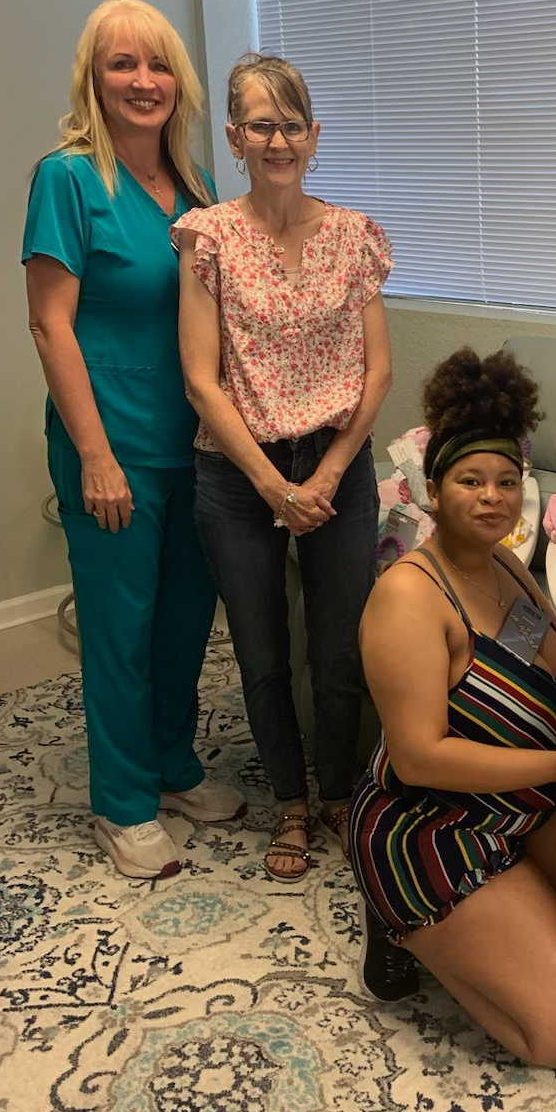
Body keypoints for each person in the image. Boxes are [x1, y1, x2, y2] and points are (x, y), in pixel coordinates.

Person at [351, 347, 556, 1064]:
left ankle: (518, 896)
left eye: (506, 482)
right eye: (469, 480)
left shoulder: (509, 565)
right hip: (431, 826)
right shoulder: (407, 598)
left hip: (528, 806)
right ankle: (405, 924)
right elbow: (421, 757)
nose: (492, 497)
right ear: (433, 488)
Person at [22, 0, 242, 881]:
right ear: (94, 79)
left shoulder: (198, 194)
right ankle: (122, 799)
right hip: (110, 447)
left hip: (196, 446)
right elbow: (49, 326)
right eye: (122, 64)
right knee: (121, 626)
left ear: (178, 85)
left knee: (187, 621)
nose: (142, 82)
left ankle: (171, 763)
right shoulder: (67, 179)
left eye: (157, 66)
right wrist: (96, 456)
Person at [175, 54, 393, 881]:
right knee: (263, 651)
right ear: (234, 137)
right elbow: (201, 377)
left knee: (339, 647)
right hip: (237, 473)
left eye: (292, 123)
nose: (279, 140)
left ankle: (337, 793)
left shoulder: (354, 236)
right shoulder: (208, 238)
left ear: (314, 134)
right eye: (261, 124)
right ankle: (290, 804)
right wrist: (272, 487)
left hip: (336, 461)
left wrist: (329, 475)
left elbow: (377, 372)